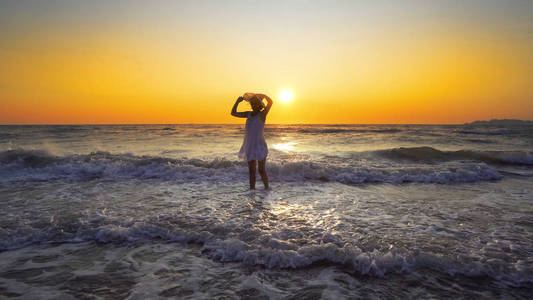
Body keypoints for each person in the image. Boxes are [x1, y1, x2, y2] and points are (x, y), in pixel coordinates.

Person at [231, 93, 273, 189]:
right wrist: (237, 102)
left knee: (261, 170)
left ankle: (267, 189)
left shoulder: (263, 114)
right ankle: (252, 192)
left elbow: (270, 102)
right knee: (252, 172)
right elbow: (233, 113)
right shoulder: (248, 114)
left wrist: (263, 95)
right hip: (249, 146)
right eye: (252, 104)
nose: (254, 106)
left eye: (256, 104)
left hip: (260, 145)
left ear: (260, 105)